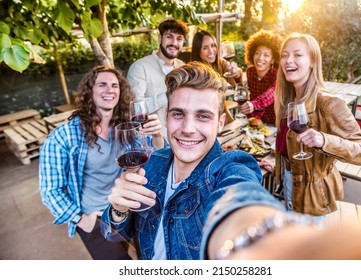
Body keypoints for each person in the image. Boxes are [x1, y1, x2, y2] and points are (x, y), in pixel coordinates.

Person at [100, 61, 286, 260]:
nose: (188, 128)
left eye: (203, 116)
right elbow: (112, 234)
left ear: (220, 124)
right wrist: (118, 211)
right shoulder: (152, 162)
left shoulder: (231, 169)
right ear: (166, 116)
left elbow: (242, 202)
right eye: (178, 114)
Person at [39, 65, 165, 260]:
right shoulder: (63, 137)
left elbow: (152, 159)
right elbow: (50, 190)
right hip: (95, 217)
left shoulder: (126, 127)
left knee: (149, 255)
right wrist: (80, 219)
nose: (110, 90)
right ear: (90, 91)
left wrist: (157, 136)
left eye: (115, 85)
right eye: (102, 85)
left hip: (128, 205)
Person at [259, 33, 361, 218]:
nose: (289, 60)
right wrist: (281, 168)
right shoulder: (288, 100)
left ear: (312, 61)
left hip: (312, 199)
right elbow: (289, 149)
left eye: (297, 55)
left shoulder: (328, 104)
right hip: (289, 186)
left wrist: (324, 140)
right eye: (285, 55)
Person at [127, 18, 189, 137]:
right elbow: (136, 110)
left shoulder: (183, 68)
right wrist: (169, 95)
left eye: (179, 38)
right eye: (169, 37)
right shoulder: (140, 67)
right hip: (153, 143)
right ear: (160, 38)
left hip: (181, 137)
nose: (174, 43)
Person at [191, 30, 243, 123]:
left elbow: (238, 74)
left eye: (213, 45)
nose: (211, 51)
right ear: (197, 50)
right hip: (204, 118)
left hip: (222, 114)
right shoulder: (195, 70)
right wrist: (223, 80)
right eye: (205, 48)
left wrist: (235, 71)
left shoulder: (219, 63)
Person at [237, 30, 281, 126]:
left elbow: (273, 92)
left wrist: (254, 104)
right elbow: (252, 96)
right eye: (257, 53)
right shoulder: (250, 72)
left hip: (276, 123)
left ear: (273, 60)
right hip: (259, 121)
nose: (260, 58)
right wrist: (249, 111)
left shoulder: (277, 74)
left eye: (266, 55)